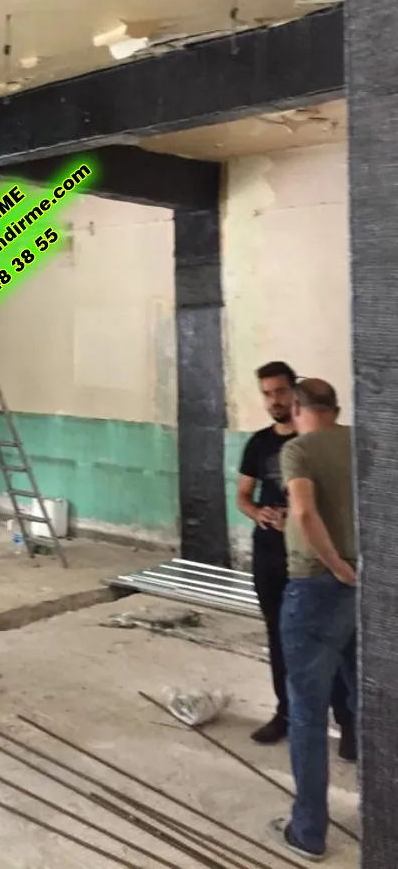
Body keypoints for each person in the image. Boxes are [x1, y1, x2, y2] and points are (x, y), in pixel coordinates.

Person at [237, 362, 355, 757]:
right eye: (267, 393)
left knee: (336, 643)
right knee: (279, 636)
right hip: (272, 555)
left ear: (296, 396)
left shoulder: (312, 445)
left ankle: (348, 723)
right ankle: (285, 713)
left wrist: (333, 559)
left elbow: (311, 510)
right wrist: (259, 513)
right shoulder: (259, 444)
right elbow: (243, 496)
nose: (274, 400)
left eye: (281, 392)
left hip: (315, 561)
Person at [270, 379, 357, 862]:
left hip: (316, 588)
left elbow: (303, 512)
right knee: (369, 701)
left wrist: (336, 564)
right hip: (365, 590)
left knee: (307, 711)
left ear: (299, 407)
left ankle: (308, 831)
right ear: (336, 409)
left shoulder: (298, 450)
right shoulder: (360, 441)